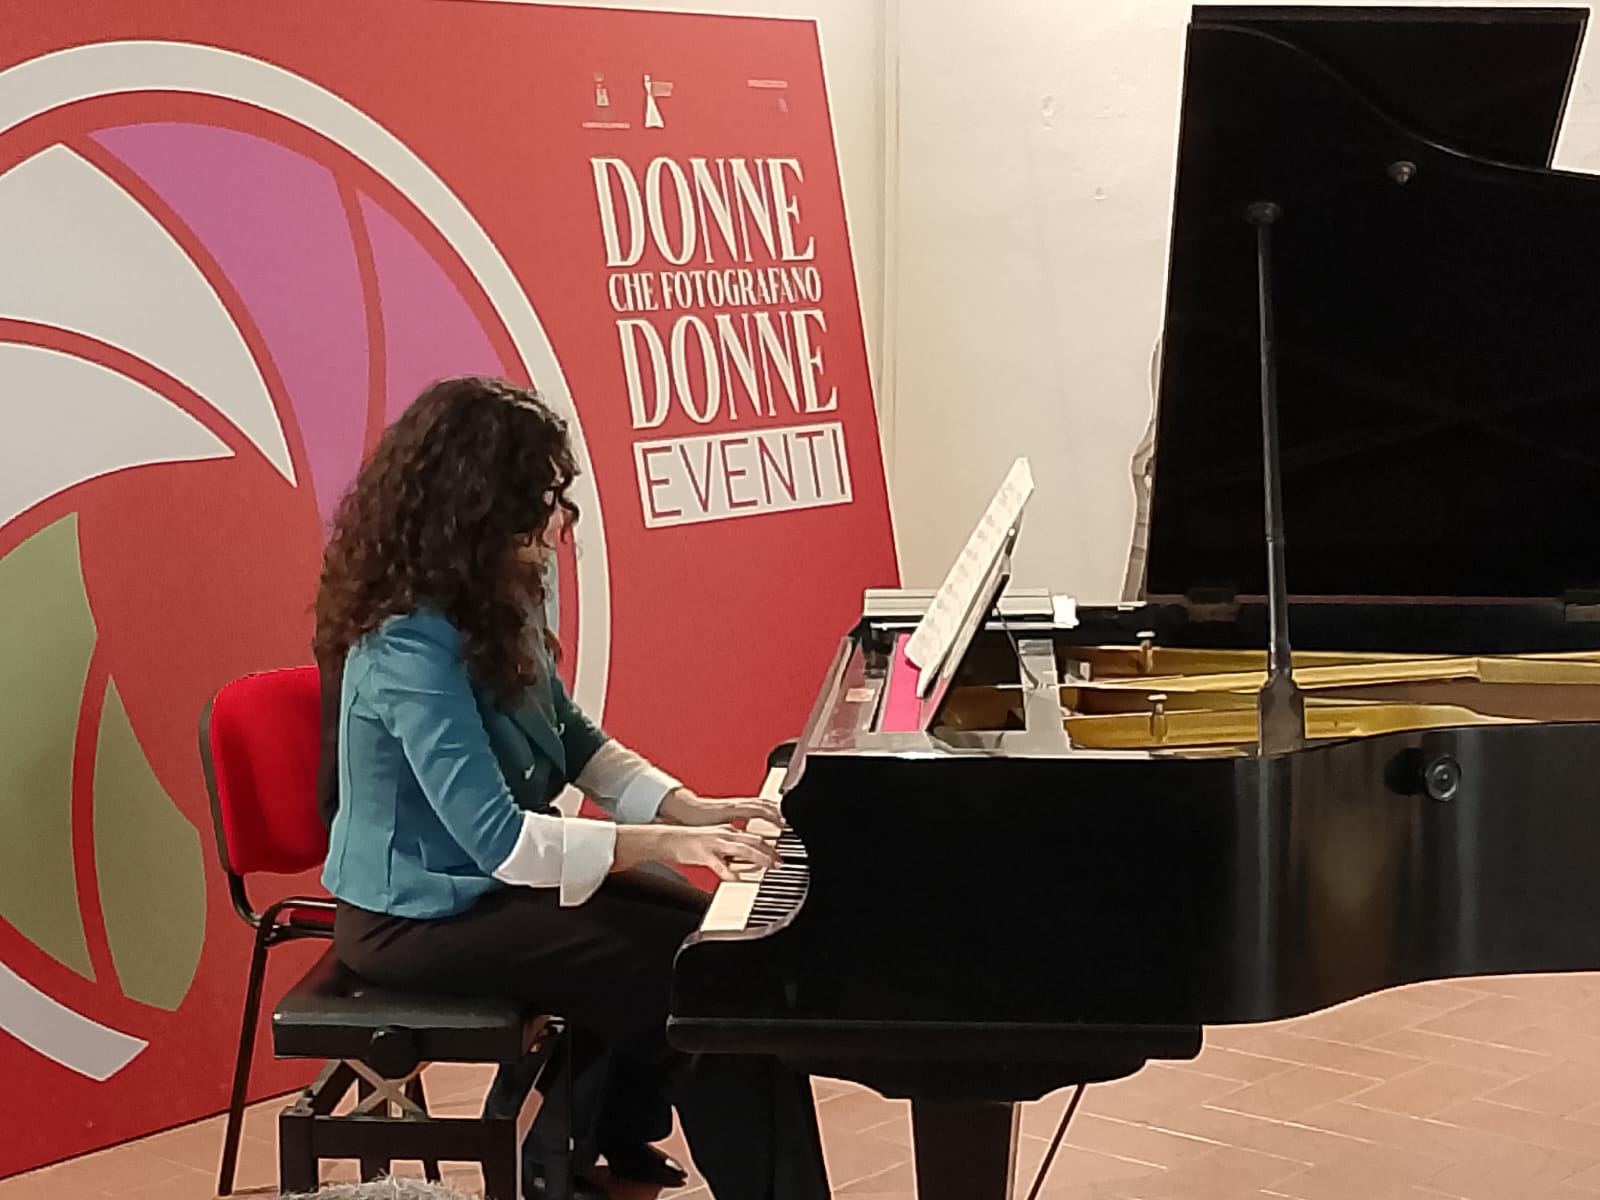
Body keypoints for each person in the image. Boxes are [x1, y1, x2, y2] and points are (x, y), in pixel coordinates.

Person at [312, 376, 831, 1200]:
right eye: (545, 498)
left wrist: (686, 807)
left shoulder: (497, 593)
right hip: (417, 916)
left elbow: (570, 733)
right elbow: (503, 843)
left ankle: (593, 1140)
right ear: (482, 506)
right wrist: (673, 842)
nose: (562, 519)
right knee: (703, 978)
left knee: (711, 939)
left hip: (483, 885)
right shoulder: (406, 644)